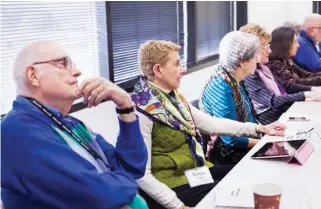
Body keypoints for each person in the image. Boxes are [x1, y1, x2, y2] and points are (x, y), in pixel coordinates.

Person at [131, 39, 285, 209]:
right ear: (158, 70)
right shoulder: (140, 111)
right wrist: (177, 206)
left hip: (193, 172)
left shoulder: (169, 97)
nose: (183, 70)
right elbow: (142, 174)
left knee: (249, 175)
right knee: (237, 195)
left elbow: (211, 124)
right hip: (173, 184)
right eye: (176, 64)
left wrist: (258, 129)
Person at [1, 41, 148, 209]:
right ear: (33, 75)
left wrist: (125, 106)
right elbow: (99, 195)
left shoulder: (70, 124)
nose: (77, 72)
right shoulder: (18, 131)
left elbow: (133, 167)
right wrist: (124, 181)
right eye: (63, 63)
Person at [239, 23, 321, 125]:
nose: (269, 50)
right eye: (265, 47)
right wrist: (306, 95)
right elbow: (272, 101)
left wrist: (312, 90)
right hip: (270, 118)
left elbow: (286, 85)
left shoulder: (262, 67)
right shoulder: (250, 74)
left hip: (281, 111)